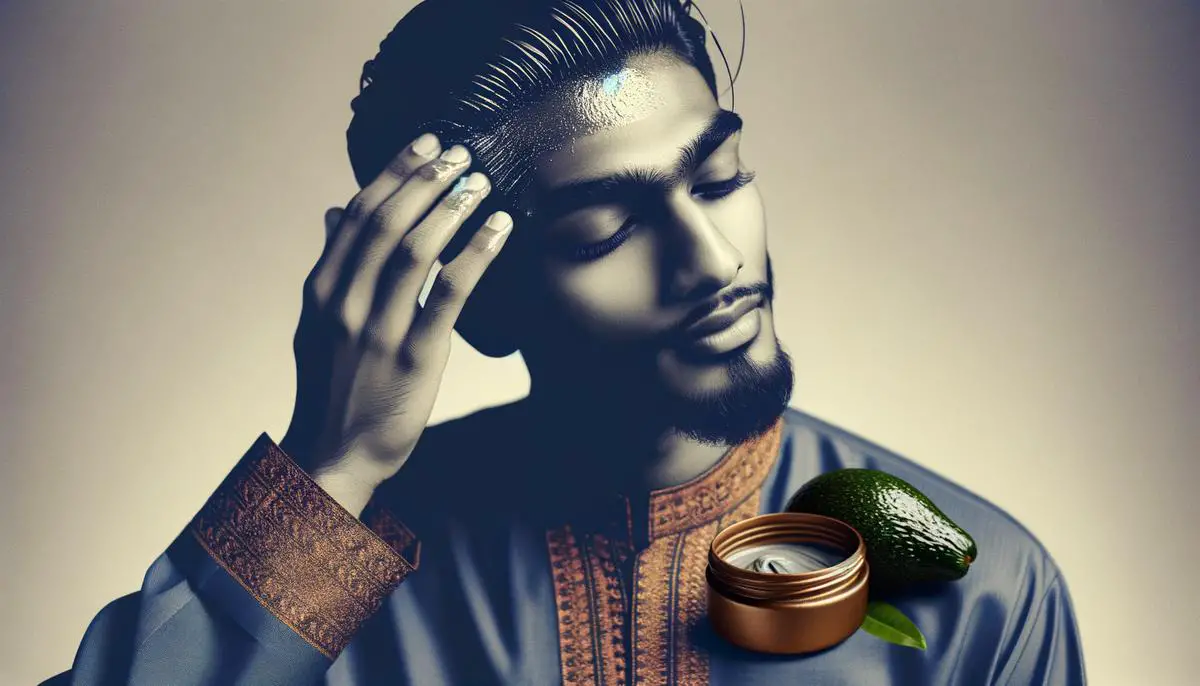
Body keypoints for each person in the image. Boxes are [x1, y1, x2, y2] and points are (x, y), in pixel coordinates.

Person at [42, 0, 1085, 684]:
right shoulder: (341, 582)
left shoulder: (973, 590)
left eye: (720, 179)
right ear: (479, 299)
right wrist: (329, 466)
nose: (712, 256)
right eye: (607, 228)